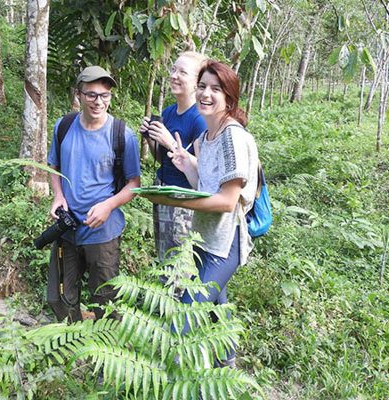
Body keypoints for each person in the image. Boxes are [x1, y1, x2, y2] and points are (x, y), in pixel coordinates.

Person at [139, 60, 259, 368]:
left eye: (215, 89)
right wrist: (185, 160)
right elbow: (205, 184)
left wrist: (177, 201)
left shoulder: (231, 137)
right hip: (204, 239)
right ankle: (227, 367)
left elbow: (226, 201)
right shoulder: (207, 136)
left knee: (183, 317)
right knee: (218, 305)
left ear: (229, 99)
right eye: (203, 86)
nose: (206, 94)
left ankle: (182, 380)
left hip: (224, 245)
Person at [47, 66, 141, 322]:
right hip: (67, 227)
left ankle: (106, 351)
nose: (99, 102)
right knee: (61, 296)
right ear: (78, 95)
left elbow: (134, 183)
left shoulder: (123, 134)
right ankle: (70, 343)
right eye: (91, 95)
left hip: (103, 231)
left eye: (105, 95)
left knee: (106, 297)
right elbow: (53, 166)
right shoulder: (64, 126)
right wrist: (58, 196)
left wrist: (108, 206)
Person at [139, 51, 207, 261]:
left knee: (178, 260)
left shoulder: (200, 119)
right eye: (173, 69)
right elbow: (163, 159)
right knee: (163, 255)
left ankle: (177, 295)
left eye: (183, 72)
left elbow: (203, 172)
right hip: (163, 191)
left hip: (184, 199)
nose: (174, 75)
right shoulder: (168, 112)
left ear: (197, 83)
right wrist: (151, 138)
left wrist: (169, 141)